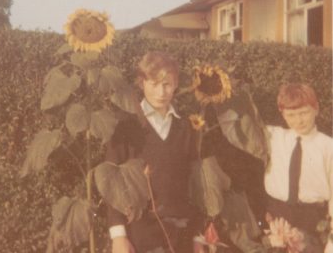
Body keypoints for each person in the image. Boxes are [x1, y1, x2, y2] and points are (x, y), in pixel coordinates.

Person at [217, 83, 333, 252]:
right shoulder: (273, 137)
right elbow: (243, 124)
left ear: (316, 109)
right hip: (276, 216)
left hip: (312, 220)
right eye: (291, 115)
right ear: (282, 114)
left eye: (304, 113)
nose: (299, 120)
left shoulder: (328, 146)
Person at [105, 51, 201, 253]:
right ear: (142, 83)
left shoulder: (185, 128)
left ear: (175, 85)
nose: (161, 92)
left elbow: (194, 187)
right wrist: (118, 236)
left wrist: (198, 235)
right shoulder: (125, 126)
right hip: (140, 233)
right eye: (154, 84)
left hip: (180, 233)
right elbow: (112, 185)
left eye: (167, 84)